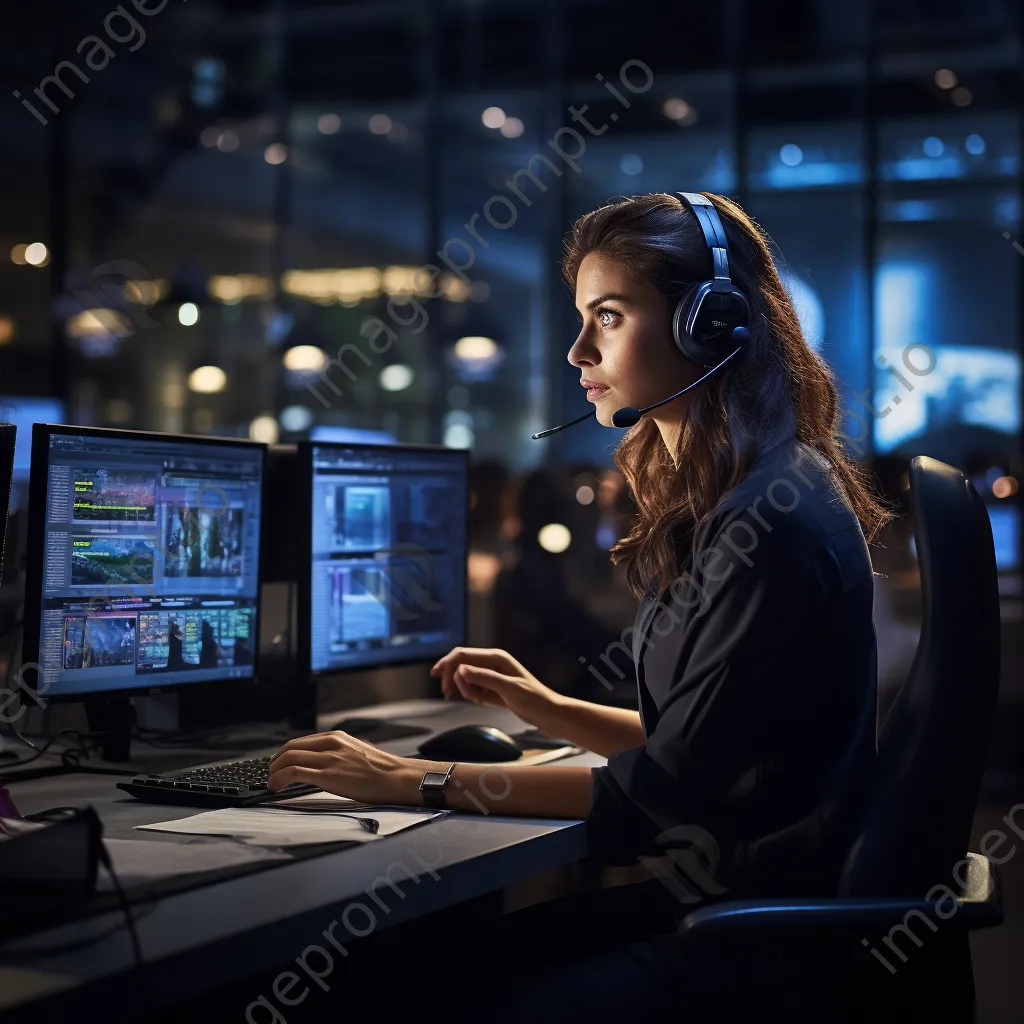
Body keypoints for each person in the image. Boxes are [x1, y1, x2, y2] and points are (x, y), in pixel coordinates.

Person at [266, 192, 892, 1020]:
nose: (577, 350)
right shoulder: (753, 494)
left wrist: (405, 776)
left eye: (608, 316)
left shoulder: (766, 521)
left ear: (709, 323)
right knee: (407, 966)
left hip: (755, 937)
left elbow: (651, 797)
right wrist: (549, 707)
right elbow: (710, 753)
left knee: (401, 986)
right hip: (734, 902)